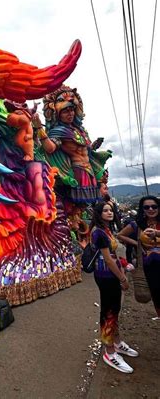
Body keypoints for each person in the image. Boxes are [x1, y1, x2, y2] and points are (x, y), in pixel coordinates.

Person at [34, 85, 111, 204]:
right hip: (77, 172)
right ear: (57, 113)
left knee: (85, 206)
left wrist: (94, 146)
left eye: (71, 110)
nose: (70, 114)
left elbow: (86, 149)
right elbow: (50, 148)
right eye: (65, 111)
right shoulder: (59, 131)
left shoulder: (81, 130)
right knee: (73, 204)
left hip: (89, 171)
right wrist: (39, 127)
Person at [90, 201, 138, 373]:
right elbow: (108, 259)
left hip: (111, 274)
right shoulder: (99, 233)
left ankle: (116, 343)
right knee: (108, 311)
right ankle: (109, 351)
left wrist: (123, 264)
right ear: (98, 213)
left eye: (111, 210)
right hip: (105, 276)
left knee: (115, 309)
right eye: (105, 210)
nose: (109, 213)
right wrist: (123, 278)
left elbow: (113, 255)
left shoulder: (107, 229)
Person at [118, 196, 160, 317]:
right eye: (147, 207)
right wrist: (138, 243)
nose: (151, 209)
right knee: (157, 296)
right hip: (150, 267)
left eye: (154, 206)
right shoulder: (138, 224)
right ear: (143, 209)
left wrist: (156, 233)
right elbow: (120, 235)